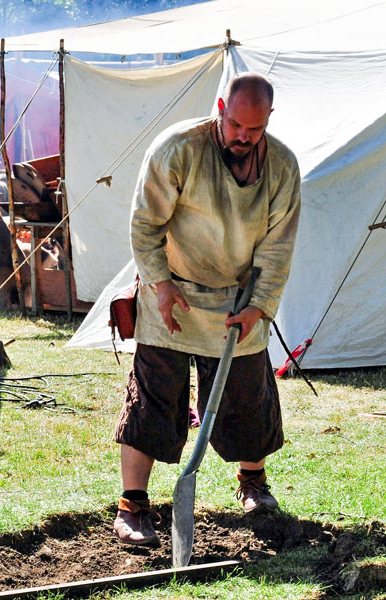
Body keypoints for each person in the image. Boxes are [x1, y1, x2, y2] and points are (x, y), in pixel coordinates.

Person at [112, 73, 301, 545]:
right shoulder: (177, 149)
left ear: (268, 121)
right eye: (235, 124)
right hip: (169, 294)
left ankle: (253, 484)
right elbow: (144, 226)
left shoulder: (281, 166)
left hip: (238, 303)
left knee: (247, 397)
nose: (243, 136)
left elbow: (278, 248)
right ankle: (133, 506)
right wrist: (159, 284)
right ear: (221, 107)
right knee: (155, 396)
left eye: (254, 130)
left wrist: (260, 306)